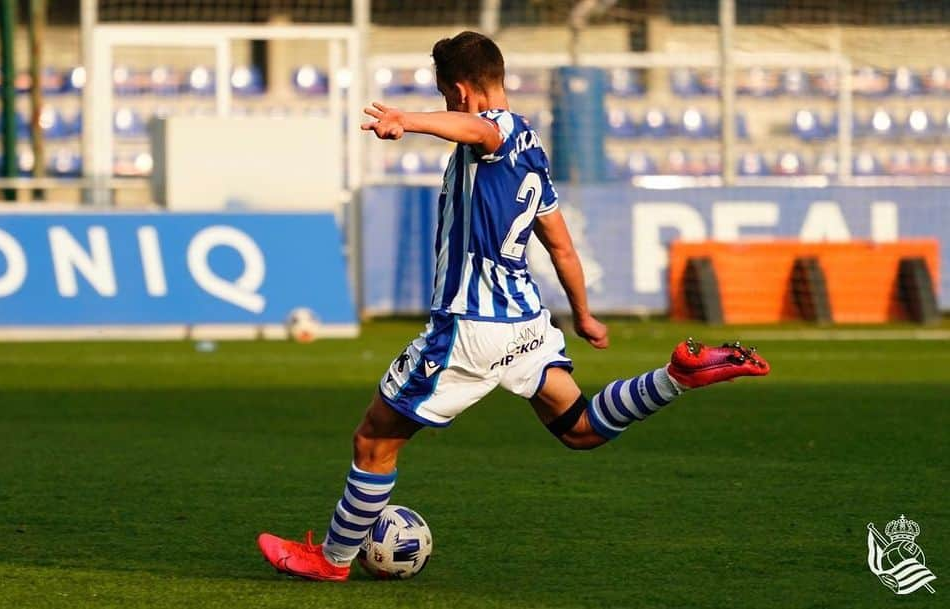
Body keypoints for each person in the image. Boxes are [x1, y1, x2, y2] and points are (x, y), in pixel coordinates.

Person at [258, 31, 769, 581]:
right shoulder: (534, 150)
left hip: (470, 327)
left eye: (448, 98)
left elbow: (477, 127)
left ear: (460, 90)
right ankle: (676, 377)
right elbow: (562, 245)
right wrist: (585, 312)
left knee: (374, 438)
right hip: (526, 322)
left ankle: (332, 560)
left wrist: (407, 118)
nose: (453, 109)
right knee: (580, 428)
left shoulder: (495, 128)